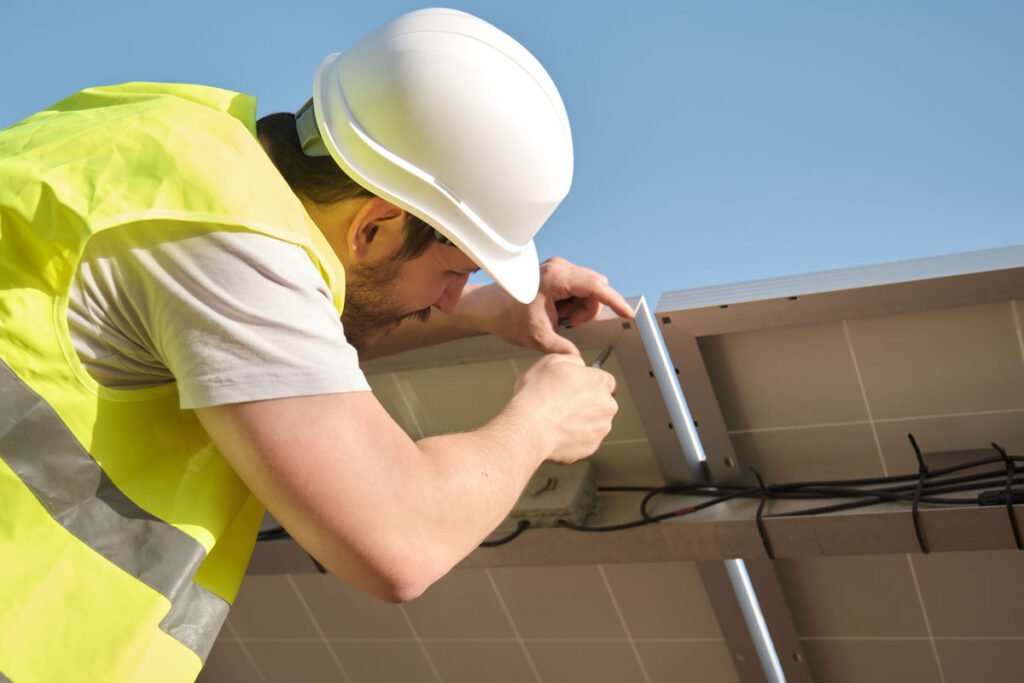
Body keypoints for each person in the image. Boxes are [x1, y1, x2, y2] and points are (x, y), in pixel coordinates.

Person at [0, 8, 631, 682]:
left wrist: (481, 312)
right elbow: (402, 539)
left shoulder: (174, 138)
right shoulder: (225, 243)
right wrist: (540, 420)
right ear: (375, 226)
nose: (447, 297)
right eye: (454, 271)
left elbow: (274, 344)